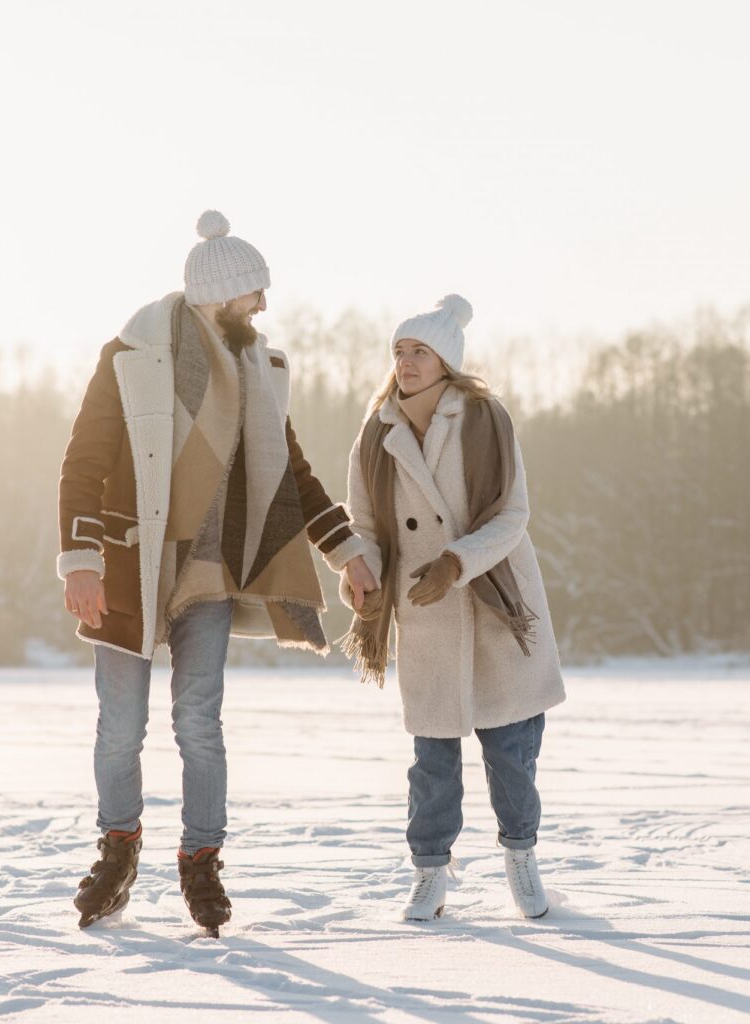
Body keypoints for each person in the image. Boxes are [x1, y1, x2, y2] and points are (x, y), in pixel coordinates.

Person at [57, 210, 375, 935]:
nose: (263, 307)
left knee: (199, 724)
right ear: (218, 294)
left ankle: (201, 862)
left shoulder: (261, 371)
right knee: (120, 729)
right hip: (128, 566)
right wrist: (80, 561)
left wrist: (347, 550)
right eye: (252, 294)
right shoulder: (131, 354)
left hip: (210, 576)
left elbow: (292, 473)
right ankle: (119, 849)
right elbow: (83, 463)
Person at [338, 294, 565, 921]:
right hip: (424, 609)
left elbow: (513, 514)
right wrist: (363, 572)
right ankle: (431, 874)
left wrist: (456, 562)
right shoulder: (377, 430)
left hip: (494, 599)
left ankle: (521, 857)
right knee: (432, 760)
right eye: (400, 352)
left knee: (511, 752)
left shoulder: (487, 419)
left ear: (446, 362)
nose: (406, 363)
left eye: (420, 352)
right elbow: (364, 522)